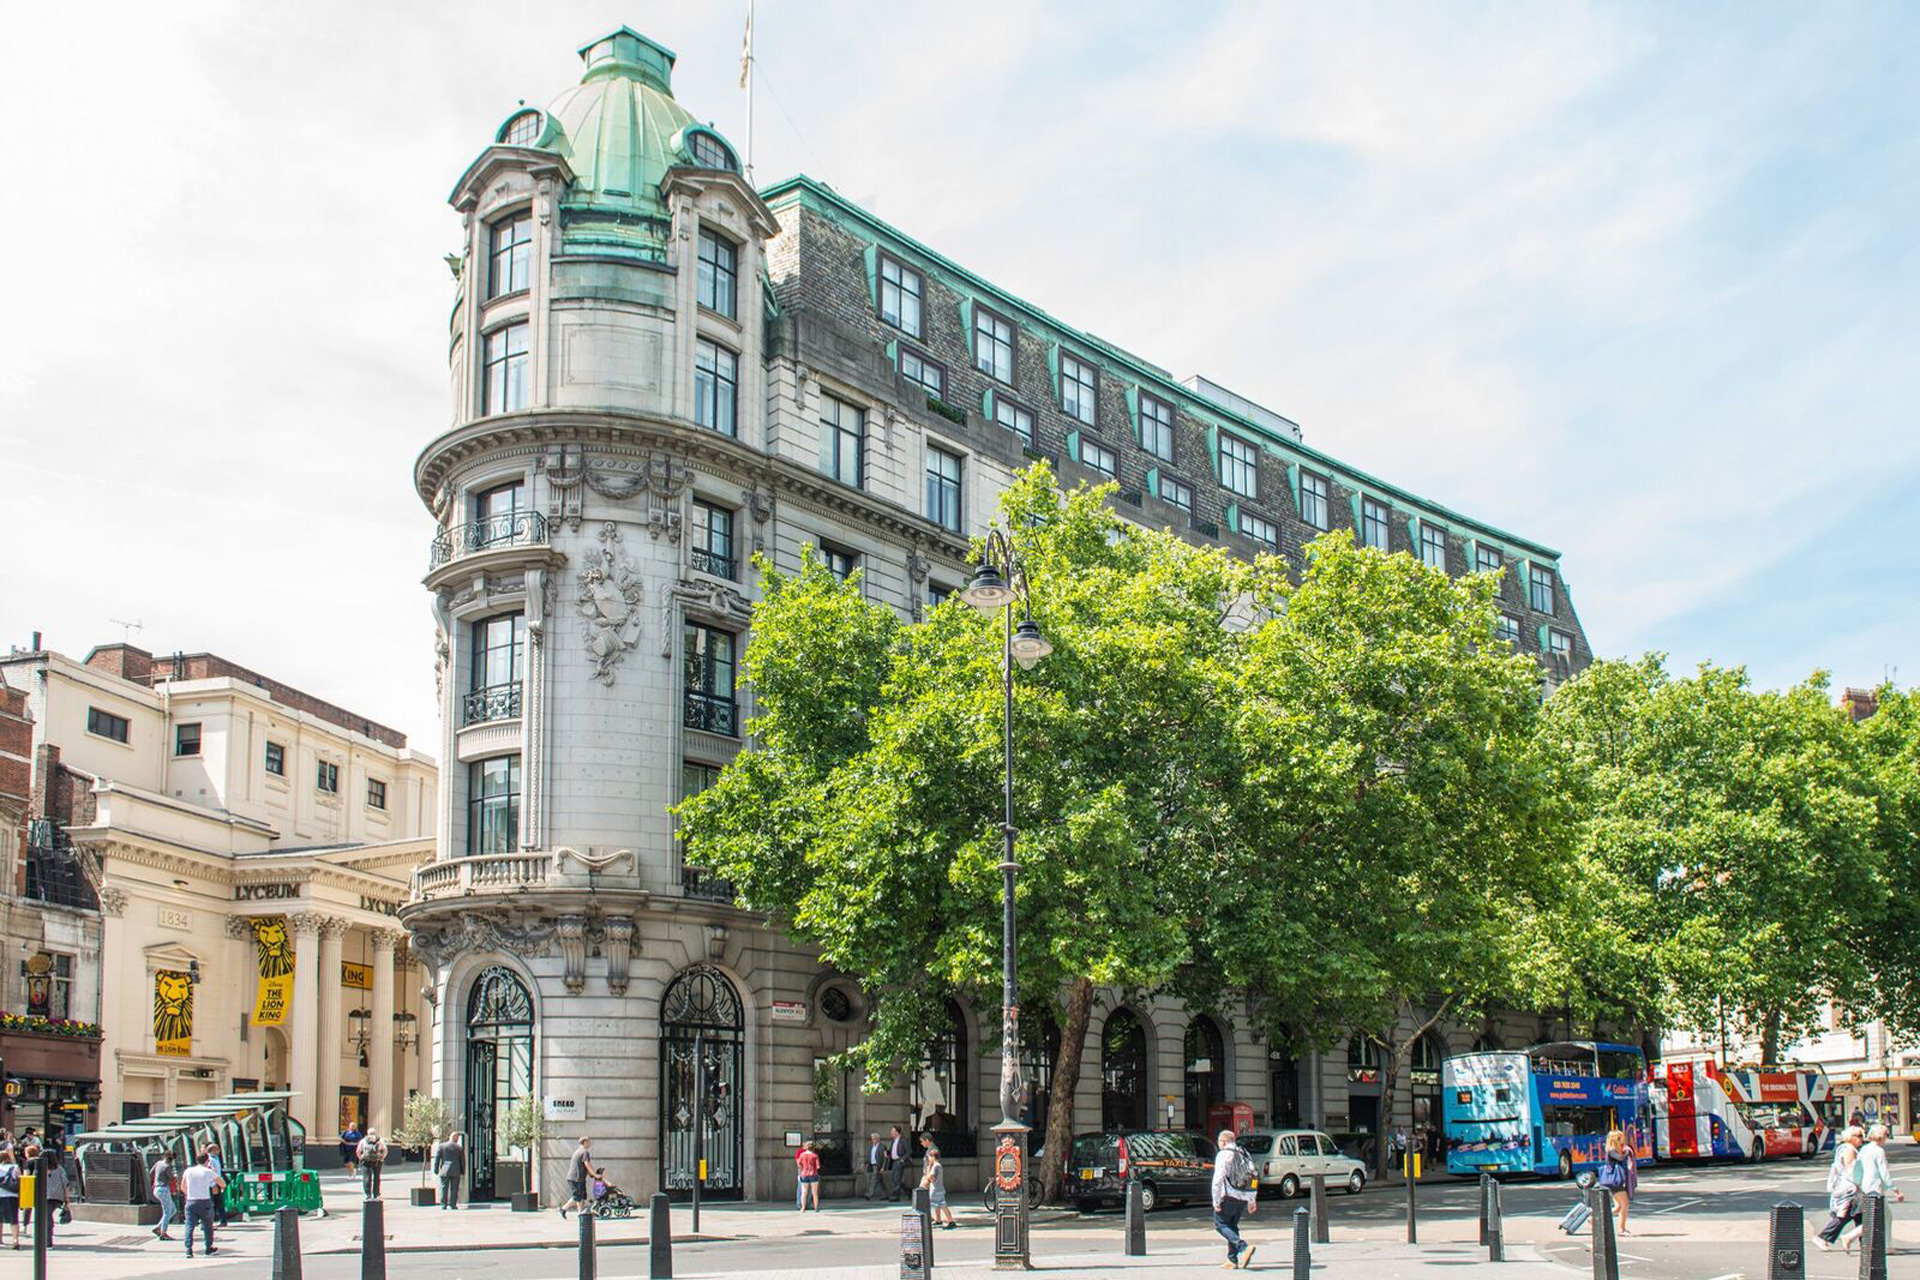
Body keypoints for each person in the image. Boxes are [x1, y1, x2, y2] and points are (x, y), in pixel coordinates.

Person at [1841, 1122, 1906, 1251]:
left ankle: (1887, 1246)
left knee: (1883, 1216)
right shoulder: (1878, 1151)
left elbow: (1857, 1169)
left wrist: (1859, 1183)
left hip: (1865, 1187)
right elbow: (1884, 1172)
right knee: (1877, 1217)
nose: (1887, 1137)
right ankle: (1850, 1236)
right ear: (1881, 1136)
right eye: (1886, 1134)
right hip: (1876, 1188)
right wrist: (1895, 1190)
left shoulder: (1864, 1149)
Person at [1211, 1127, 1258, 1270]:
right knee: (1232, 1226)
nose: (1218, 1143)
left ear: (1224, 1141)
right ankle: (1232, 1260)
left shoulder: (1223, 1154)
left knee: (1220, 1224)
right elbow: (1253, 1176)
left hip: (1228, 1196)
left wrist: (1216, 1200)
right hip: (1243, 1197)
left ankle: (1243, 1247)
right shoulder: (1244, 1153)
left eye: (1219, 1141)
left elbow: (1218, 1179)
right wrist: (1251, 1199)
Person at [1816, 1126, 1865, 1250]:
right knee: (1846, 1215)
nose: (1861, 1139)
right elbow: (1851, 1170)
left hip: (1847, 1187)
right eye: (1858, 1136)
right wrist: (1862, 1183)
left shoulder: (1843, 1148)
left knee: (1860, 1215)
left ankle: (1866, 1242)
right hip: (1849, 1189)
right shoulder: (1849, 1150)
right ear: (1850, 1137)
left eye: (1861, 1136)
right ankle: (1823, 1237)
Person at [180, 1148, 224, 1259]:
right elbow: (222, 1184)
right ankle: (208, 1248)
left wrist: (188, 1194)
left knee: (189, 1225)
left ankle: (188, 1249)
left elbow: (183, 1187)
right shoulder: (208, 1172)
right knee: (208, 1226)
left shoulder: (188, 1171)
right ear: (207, 1161)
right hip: (204, 1201)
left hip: (190, 1201)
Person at [1599, 1129, 1637, 1236]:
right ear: (1616, 1139)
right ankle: (1621, 1229)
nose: (1623, 1140)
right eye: (1621, 1138)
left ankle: (1595, 1218)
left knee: (1618, 1207)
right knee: (1625, 1204)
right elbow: (1620, 1158)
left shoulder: (1614, 1149)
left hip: (1615, 1181)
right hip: (1615, 1182)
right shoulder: (1611, 1150)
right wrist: (1627, 1152)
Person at [560, 1137, 600, 1219]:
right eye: (589, 1142)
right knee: (577, 1197)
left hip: (576, 1178)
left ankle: (580, 1213)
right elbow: (587, 1164)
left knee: (581, 1197)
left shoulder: (578, 1151)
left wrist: (591, 1174)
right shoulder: (584, 1152)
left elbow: (584, 1166)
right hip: (576, 1178)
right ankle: (564, 1209)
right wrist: (595, 1175)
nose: (590, 1144)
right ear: (584, 1142)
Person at [920, 1143, 956, 1229]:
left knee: (941, 1205)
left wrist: (928, 1168)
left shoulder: (935, 1166)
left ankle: (951, 1221)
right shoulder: (937, 1166)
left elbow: (931, 1177)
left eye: (929, 1157)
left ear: (932, 1157)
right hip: (937, 1189)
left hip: (936, 1190)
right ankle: (938, 1219)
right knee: (938, 1205)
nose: (928, 1159)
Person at [40, 1146, 66, 1244]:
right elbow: (65, 1184)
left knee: (46, 1216)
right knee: (48, 1215)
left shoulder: (39, 1168)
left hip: (43, 1195)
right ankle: (48, 1234)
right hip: (57, 1196)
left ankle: (48, 1240)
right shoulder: (60, 1169)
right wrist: (67, 1200)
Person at [151, 1151, 179, 1241]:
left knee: (173, 1209)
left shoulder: (158, 1163)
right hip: (164, 1189)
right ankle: (163, 1233)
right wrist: (175, 1175)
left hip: (156, 1188)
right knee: (167, 1212)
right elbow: (171, 1178)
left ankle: (158, 1227)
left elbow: (151, 1172)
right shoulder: (167, 1166)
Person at [433, 1131, 465, 1211]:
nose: (457, 1139)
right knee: (454, 1188)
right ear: (454, 1137)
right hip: (455, 1170)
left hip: (445, 1169)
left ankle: (444, 1204)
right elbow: (462, 1161)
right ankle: (453, 1205)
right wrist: (462, 1171)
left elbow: (437, 1158)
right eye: (457, 1137)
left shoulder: (442, 1146)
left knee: (444, 1187)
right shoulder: (459, 1148)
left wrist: (436, 1170)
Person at [356, 1129, 387, 1200]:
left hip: (366, 1161)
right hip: (377, 1161)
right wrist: (382, 1158)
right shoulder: (380, 1140)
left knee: (366, 1178)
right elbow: (385, 1150)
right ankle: (376, 1194)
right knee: (376, 1178)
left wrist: (361, 1158)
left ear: (367, 1133)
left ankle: (368, 1194)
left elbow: (358, 1151)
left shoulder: (363, 1141)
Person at [202, 1143, 229, 1226]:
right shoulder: (211, 1159)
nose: (219, 1151)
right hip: (213, 1184)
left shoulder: (215, 1158)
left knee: (219, 1203)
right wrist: (213, 1184)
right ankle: (212, 1221)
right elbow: (212, 1173)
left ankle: (222, 1220)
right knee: (213, 1203)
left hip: (216, 1183)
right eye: (217, 1149)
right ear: (213, 1150)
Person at [0, 1147, 20, 1250]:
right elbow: (19, 1180)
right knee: (14, 1219)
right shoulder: (15, 1167)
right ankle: (15, 1240)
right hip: (12, 1196)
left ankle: (0, 1239)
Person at [795, 1140, 822, 1212]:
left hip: (804, 1174)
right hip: (814, 1175)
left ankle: (803, 1208)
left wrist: (803, 1168)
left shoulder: (802, 1155)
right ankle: (816, 1208)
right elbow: (818, 1166)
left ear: (806, 1147)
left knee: (804, 1192)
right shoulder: (815, 1155)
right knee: (814, 1192)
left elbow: (799, 1164)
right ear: (813, 1147)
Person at [887, 1126, 909, 1202]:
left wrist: (902, 1159)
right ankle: (908, 1192)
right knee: (895, 1178)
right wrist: (887, 1152)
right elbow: (891, 1150)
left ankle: (896, 1196)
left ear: (897, 1132)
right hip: (894, 1161)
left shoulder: (903, 1140)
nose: (891, 1132)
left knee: (897, 1178)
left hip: (899, 1161)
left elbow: (908, 1151)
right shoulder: (893, 1141)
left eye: (892, 1131)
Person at [864, 1132, 887, 1201]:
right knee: (880, 1181)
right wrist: (866, 1162)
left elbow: (885, 1158)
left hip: (878, 1166)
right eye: (872, 1139)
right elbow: (869, 1155)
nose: (873, 1140)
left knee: (873, 1180)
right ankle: (885, 1194)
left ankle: (869, 1194)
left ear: (878, 1139)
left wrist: (883, 1167)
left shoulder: (882, 1147)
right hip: (872, 1165)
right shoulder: (871, 1147)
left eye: (874, 1139)